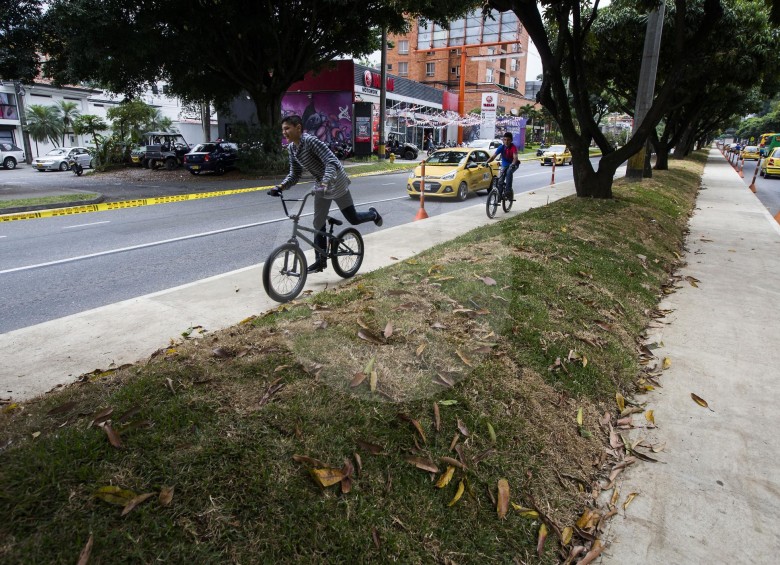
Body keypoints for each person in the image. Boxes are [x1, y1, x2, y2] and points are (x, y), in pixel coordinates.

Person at [269, 115, 383, 273]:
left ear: (298, 128)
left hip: (336, 182)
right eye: (283, 129)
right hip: (320, 185)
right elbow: (295, 174)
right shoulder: (292, 149)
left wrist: (325, 182)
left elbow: (331, 161)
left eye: (287, 128)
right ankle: (320, 261)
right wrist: (280, 187)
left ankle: (373, 214)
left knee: (353, 218)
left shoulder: (311, 141)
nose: (285, 132)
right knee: (318, 223)